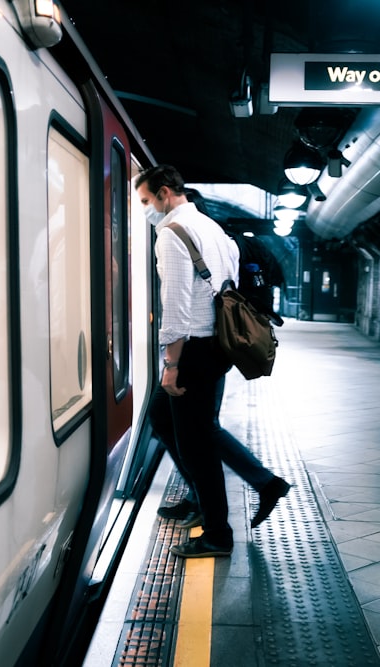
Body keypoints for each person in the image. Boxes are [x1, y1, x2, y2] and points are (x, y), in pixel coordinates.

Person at [136, 165, 287, 559]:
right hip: (216, 348)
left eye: (147, 201)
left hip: (195, 351)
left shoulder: (171, 234)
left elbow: (177, 306)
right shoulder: (215, 230)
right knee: (165, 420)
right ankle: (251, 487)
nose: (146, 209)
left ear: (166, 193)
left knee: (197, 445)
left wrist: (171, 364)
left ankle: (218, 533)